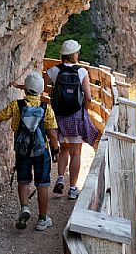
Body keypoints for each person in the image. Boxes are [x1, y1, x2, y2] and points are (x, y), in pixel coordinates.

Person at [0, 72, 60, 231]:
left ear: (25, 90)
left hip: (22, 151)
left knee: (23, 181)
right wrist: (55, 150)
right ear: (42, 90)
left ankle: (25, 208)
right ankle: (42, 219)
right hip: (41, 152)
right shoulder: (46, 108)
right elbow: (52, 134)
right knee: (42, 184)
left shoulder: (16, 106)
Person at [44, 39, 98, 200]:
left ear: (62, 55)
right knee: (76, 153)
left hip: (58, 115)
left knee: (63, 149)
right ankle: (73, 188)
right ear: (74, 54)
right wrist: (84, 112)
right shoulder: (81, 72)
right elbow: (88, 97)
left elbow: (40, 86)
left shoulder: (54, 70)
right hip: (75, 116)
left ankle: (60, 177)